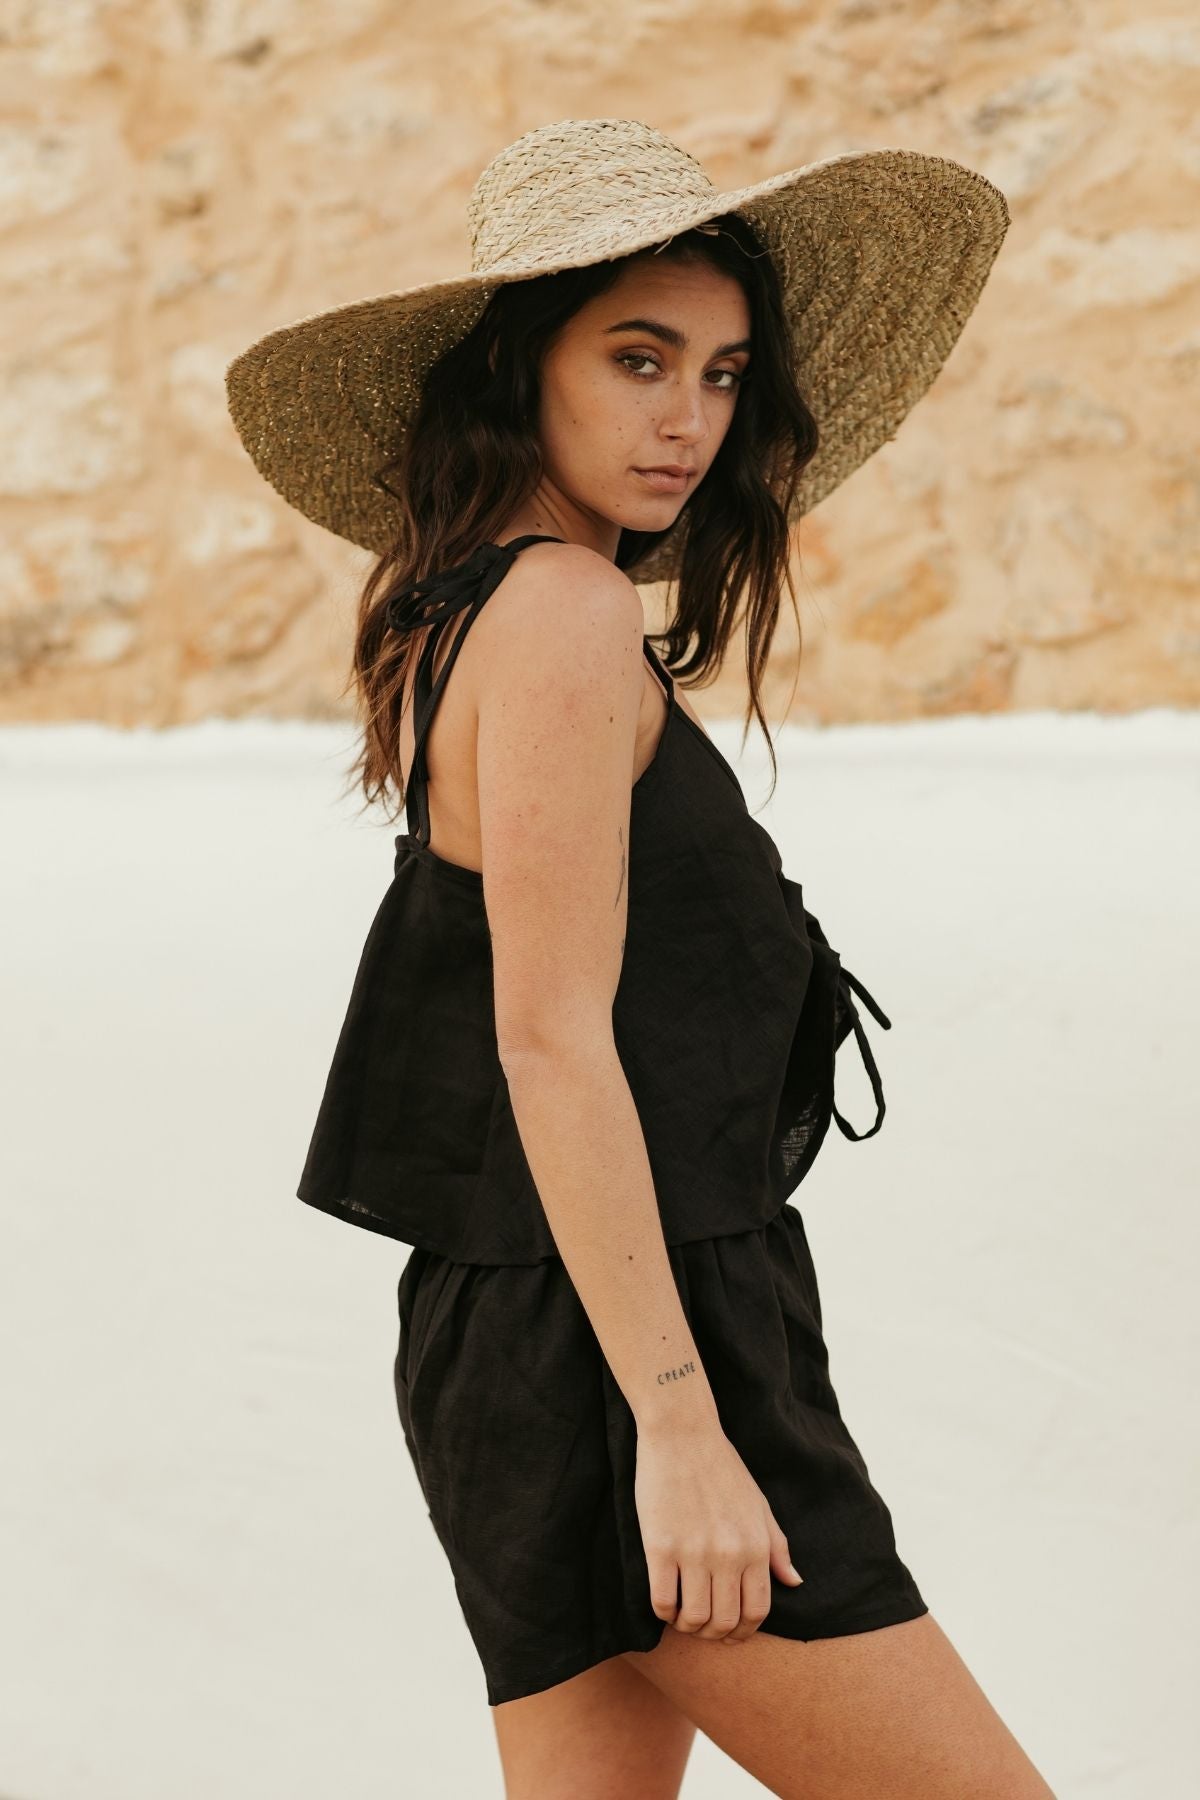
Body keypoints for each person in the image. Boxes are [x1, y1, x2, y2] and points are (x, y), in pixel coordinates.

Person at [226, 118, 1056, 1798]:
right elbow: (548, 1040)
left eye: (725, 374)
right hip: (625, 1349)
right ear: (519, 367)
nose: (689, 418)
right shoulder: (560, 617)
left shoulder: (472, 605)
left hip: (557, 1328)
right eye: (638, 358)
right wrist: (680, 1429)